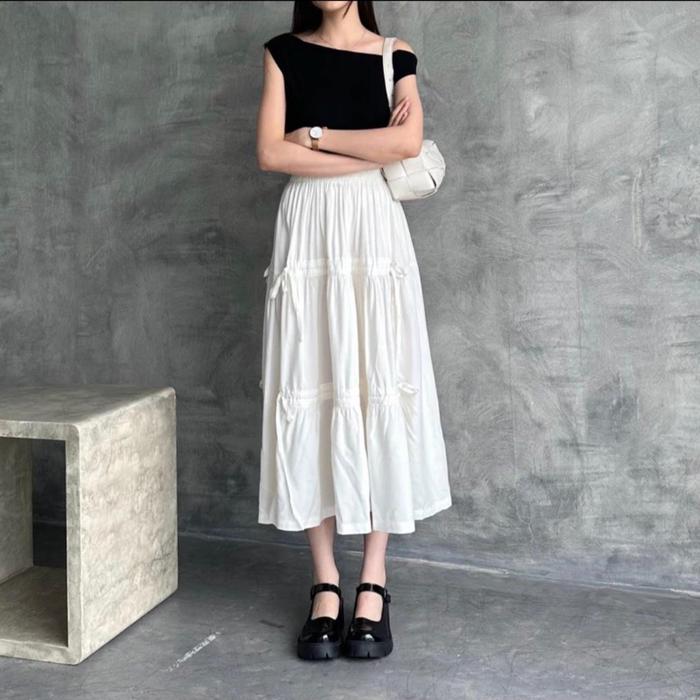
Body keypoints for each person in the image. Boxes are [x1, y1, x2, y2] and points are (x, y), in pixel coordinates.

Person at [256, 0, 452, 660]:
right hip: (308, 231)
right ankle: (324, 583)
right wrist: (363, 149)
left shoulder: (396, 54)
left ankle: (373, 580)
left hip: (373, 232)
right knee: (309, 384)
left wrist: (312, 136)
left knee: (376, 384)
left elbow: (406, 146)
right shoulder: (283, 52)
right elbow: (268, 153)